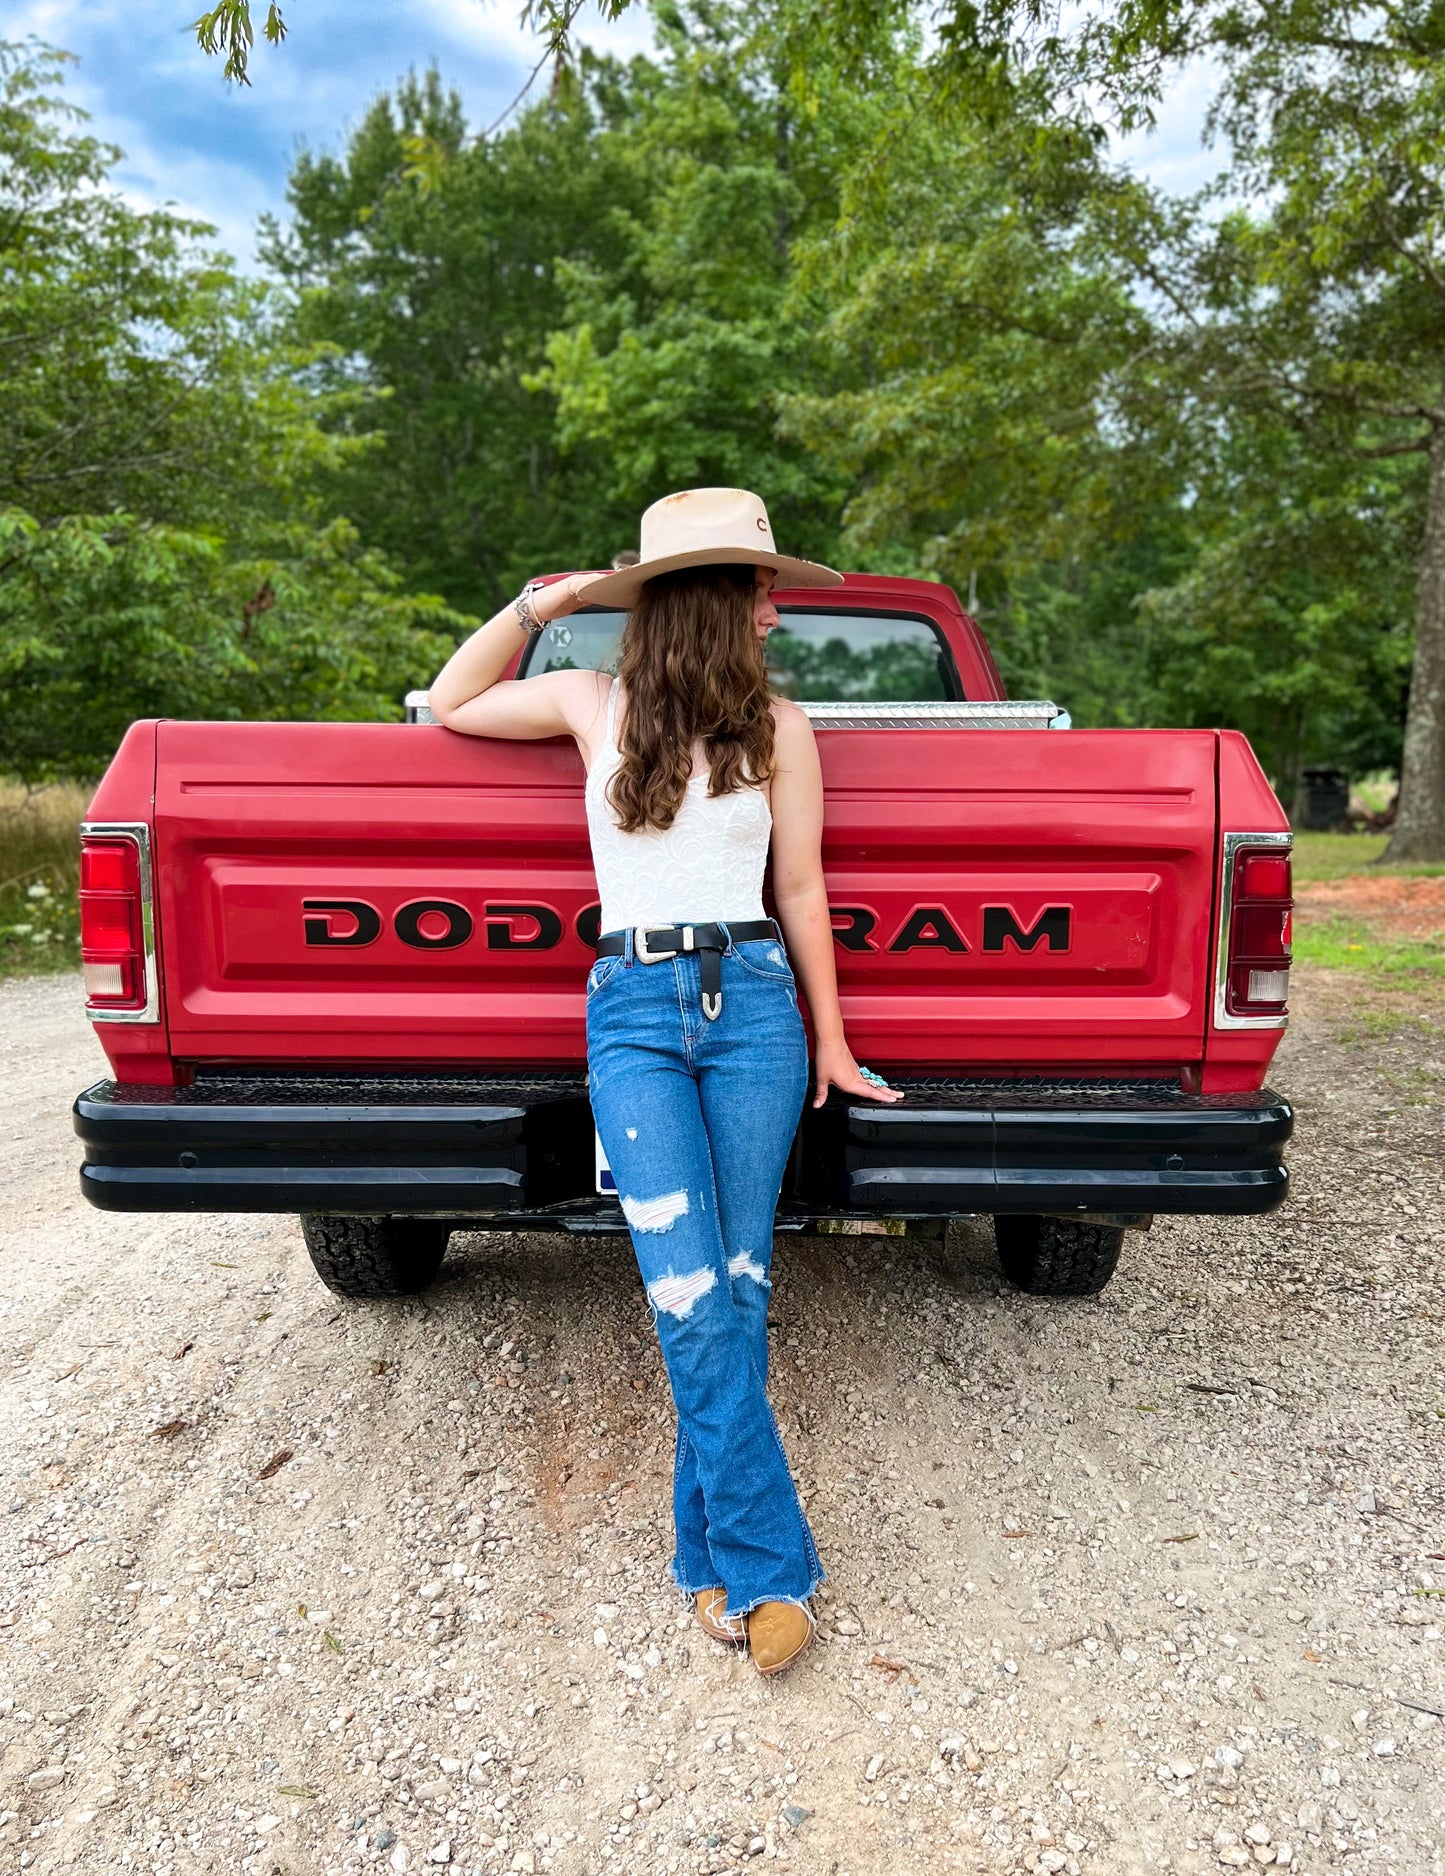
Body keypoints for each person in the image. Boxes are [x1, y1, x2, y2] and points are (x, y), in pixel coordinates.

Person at [429, 487, 903, 1677]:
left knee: (737, 1288)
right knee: (687, 1290)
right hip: (631, 1011)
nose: (774, 617)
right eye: (760, 593)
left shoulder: (783, 729)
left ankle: (705, 1561)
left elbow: (798, 892)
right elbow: (453, 700)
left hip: (751, 1006)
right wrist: (551, 601)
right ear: (710, 601)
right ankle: (771, 1565)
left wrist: (831, 1039)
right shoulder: (593, 703)